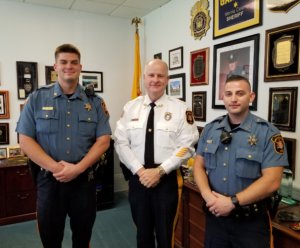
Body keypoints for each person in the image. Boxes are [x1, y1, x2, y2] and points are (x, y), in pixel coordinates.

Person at [16, 43, 111, 248]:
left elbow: (103, 140)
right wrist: (56, 168)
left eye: (74, 62)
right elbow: (25, 139)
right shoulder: (37, 98)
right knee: (50, 237)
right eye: (64, 62)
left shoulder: (95, 102)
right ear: (55, 66)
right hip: (49, 181)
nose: (69, 66)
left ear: (80, 67)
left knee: (83, 235)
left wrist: (77, 169)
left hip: (83, 180)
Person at [193, 75, 289, 248]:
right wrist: (208, 196)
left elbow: (272, 181)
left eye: (240, 93)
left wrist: (232, 202)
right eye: (228, 94)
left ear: (251, 97)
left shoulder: (268, 132)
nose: (234, 99)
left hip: (250, 223)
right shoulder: (211, 129)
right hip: (216, 218)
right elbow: (198, 165)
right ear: (223, 97)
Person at [114, 59, 199, 248]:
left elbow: (188, 145)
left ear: (167, 79)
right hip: (139, 179)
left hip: (166, 180)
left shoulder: (181, 108)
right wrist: (140, 170)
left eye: (160, 75)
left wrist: (160, 171)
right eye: (151, 75)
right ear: (144, 78)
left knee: (165, 235)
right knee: (142, 233)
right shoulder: (130, 108)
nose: (155, 79)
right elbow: (120, 142)